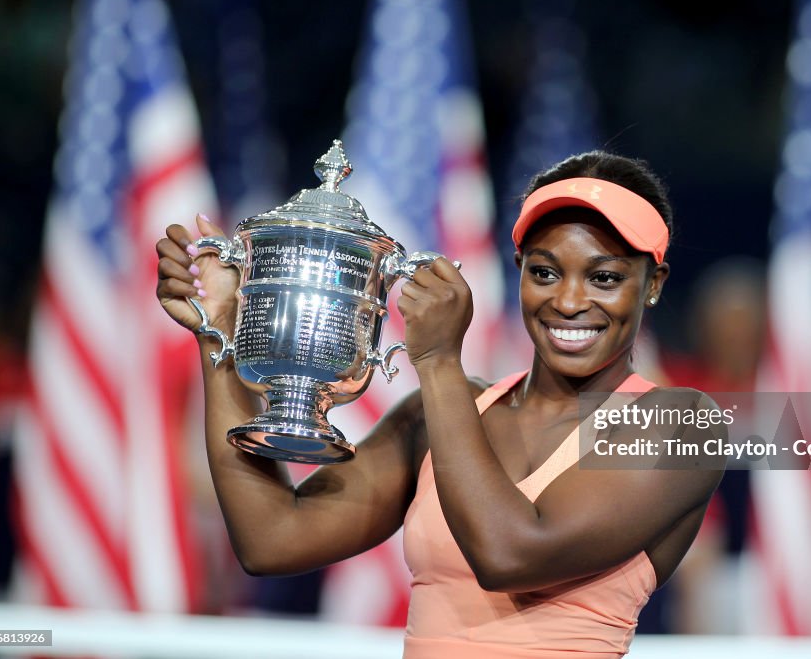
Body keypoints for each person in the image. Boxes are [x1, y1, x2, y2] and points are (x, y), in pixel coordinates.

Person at [155, 150, 724, 658]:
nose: (570, 301)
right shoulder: (440, 415)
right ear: (520, 272)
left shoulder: (683, 423)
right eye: (545, 272)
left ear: (652, 284)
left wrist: (439, 362)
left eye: (604, 278)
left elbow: (509, 555)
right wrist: (222, 337)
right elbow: (273, 537)